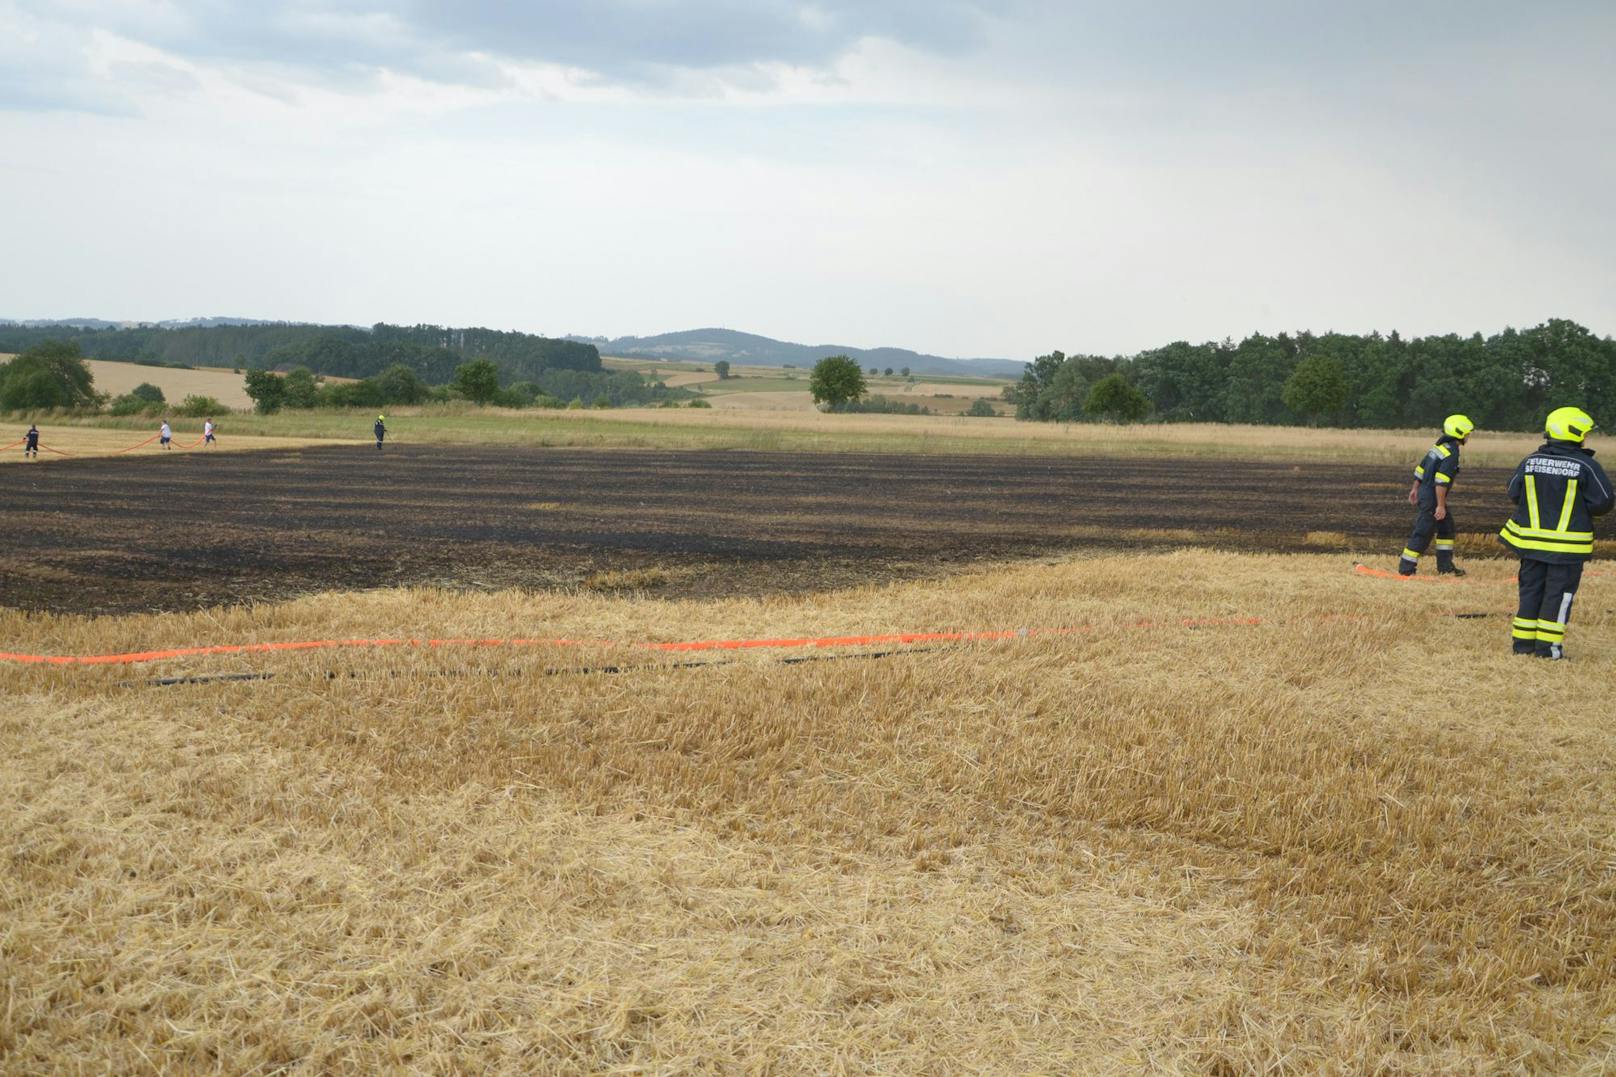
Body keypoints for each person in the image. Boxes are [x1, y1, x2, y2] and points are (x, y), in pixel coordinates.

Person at [1499, 406, 1614, 659]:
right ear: (1574, 434)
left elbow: (1513, 492)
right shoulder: (1585, 465)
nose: (1586, 438)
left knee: (1530, 592)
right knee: (1557, 597)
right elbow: (1604, 502)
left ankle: (1522, 647)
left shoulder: (1530, 461)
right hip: (1565, 550)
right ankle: (1548, 651)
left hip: (1530, 545)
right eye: (1584, 433)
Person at [1398, 413, 1474, 576]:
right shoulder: (1451, 453)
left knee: (1446, 528)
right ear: (1459, 433)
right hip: (1432, 497)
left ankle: (1445, 567)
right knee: (1424, 531)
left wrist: (1415, 488)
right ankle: (1406, 568)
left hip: (1426, 492)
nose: (1469, 436)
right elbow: (1441, 481)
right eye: (1467, 433)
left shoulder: (1438, 447)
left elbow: (1421, 468)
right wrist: (1440, 505)